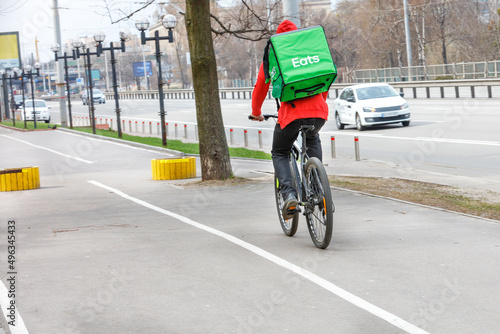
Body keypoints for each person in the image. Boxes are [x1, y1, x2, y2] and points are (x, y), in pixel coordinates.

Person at [250, 20, 329, 219]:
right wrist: (319, 104)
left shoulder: (275, 52)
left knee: (279, 152)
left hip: (291, 116)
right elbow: (323, 80)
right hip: (318, 112)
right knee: (312, 138)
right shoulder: (309, 49)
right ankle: (317, 187)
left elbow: (261, 86)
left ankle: (289, 196)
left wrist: (256, 111)